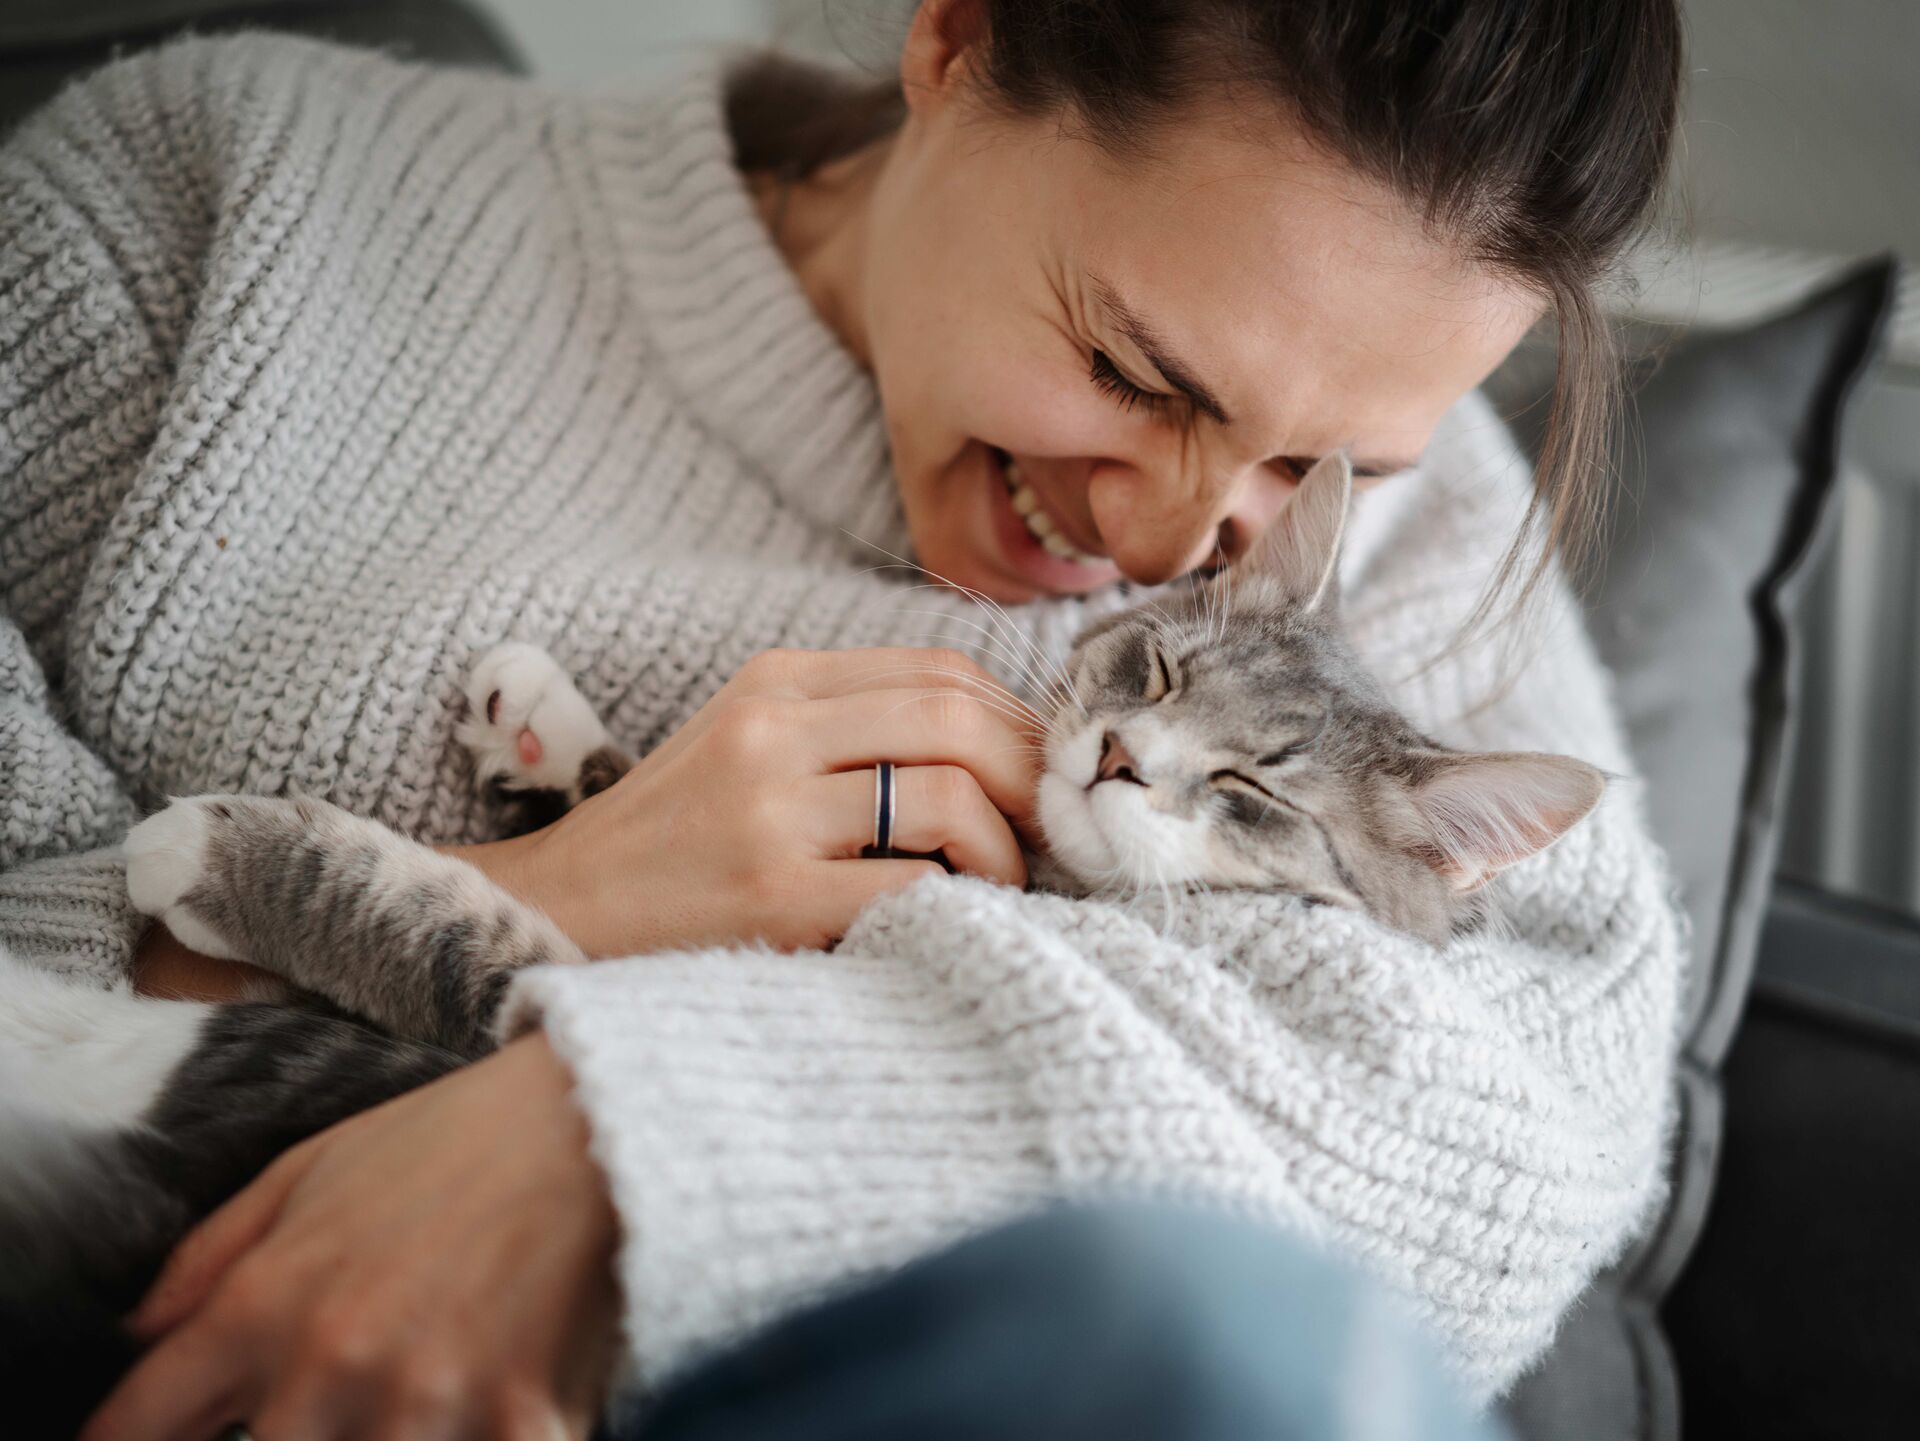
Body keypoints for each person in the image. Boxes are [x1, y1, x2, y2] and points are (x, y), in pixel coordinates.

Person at [0, 1, 1684, 1436]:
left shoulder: (1423, 530)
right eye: (1137, 373)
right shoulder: (220, 200)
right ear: (957, 37)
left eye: (1330, 472)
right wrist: (566, 893)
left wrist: (636, 1127)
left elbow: (1522, 1127)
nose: (1170, 556)